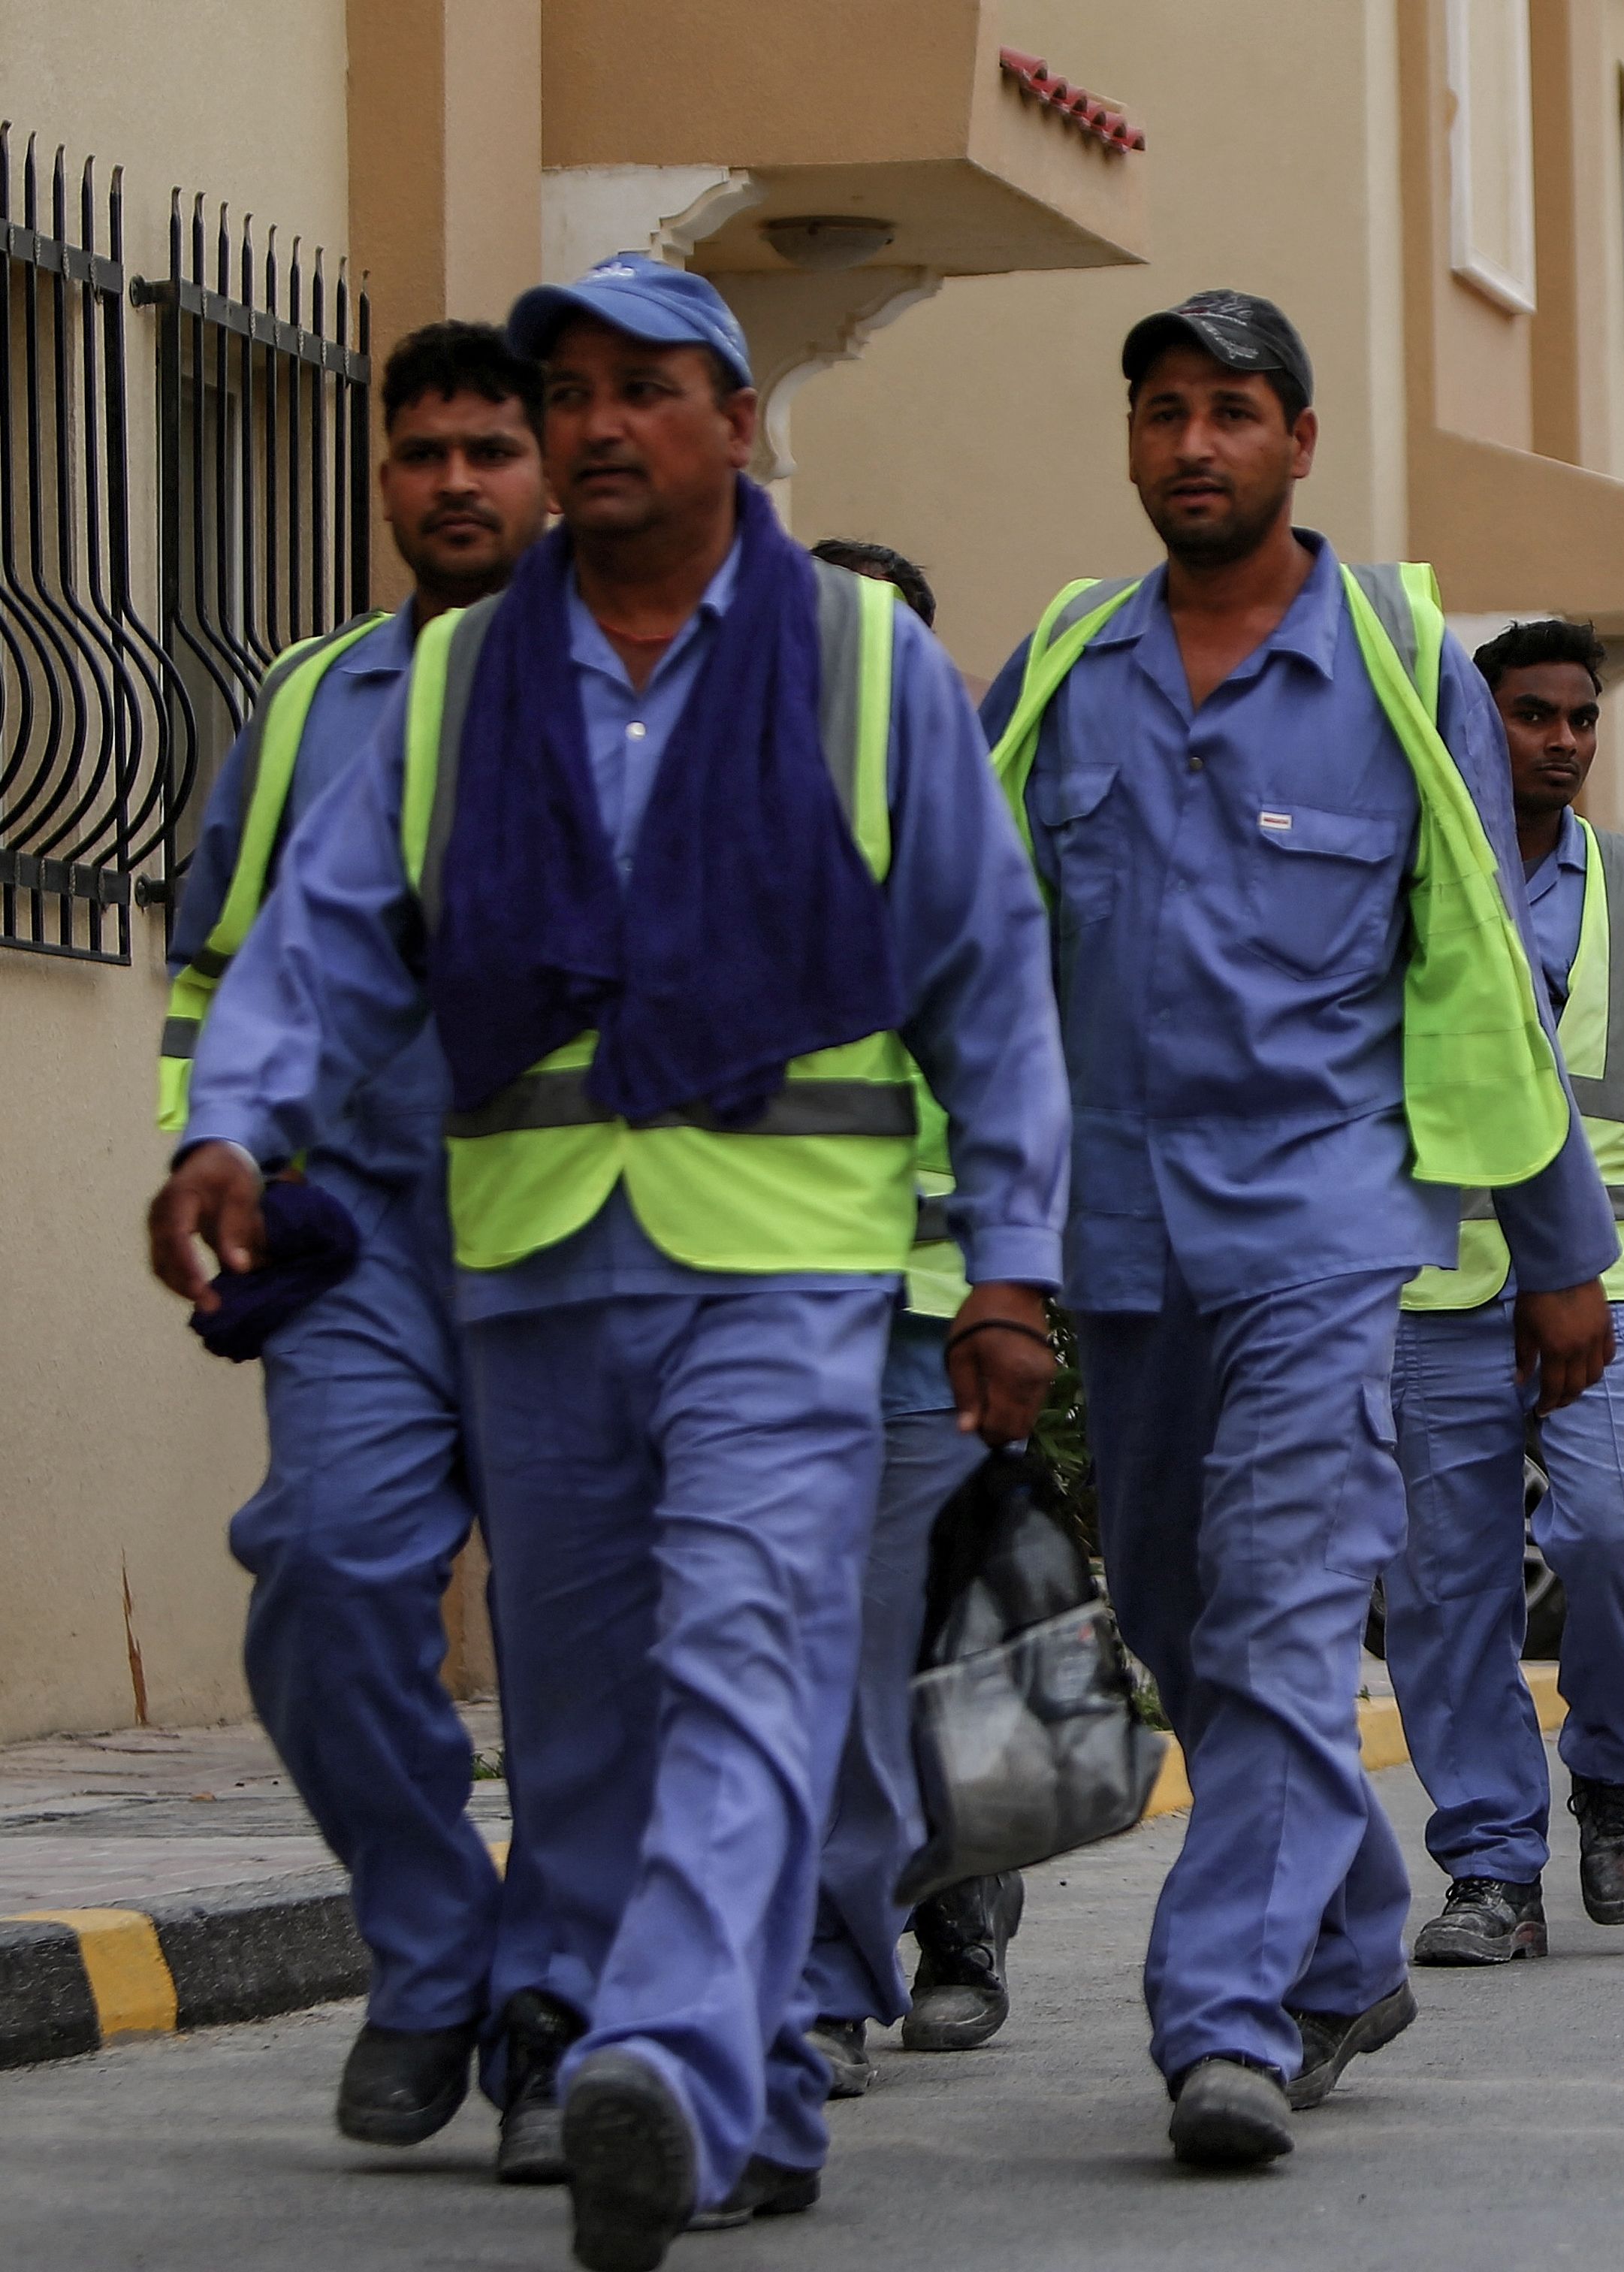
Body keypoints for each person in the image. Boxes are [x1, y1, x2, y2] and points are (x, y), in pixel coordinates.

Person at [151, 256, 1070, 2265]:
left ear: (736, 423)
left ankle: (666, 2051)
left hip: (787, 1269)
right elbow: (310, 936)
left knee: (743, 1659)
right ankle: (634, 2049)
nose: (594, 425)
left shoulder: (856, 661)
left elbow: (985, 984)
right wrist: (230, 1122)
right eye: (569, 390)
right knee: (573, 1720)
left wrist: (1007, 1267)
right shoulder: (460, 683)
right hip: (535, 1266)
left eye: (643, 389)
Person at [976, 291, 1619, 2164]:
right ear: (1130, 443)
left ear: (1299, 442)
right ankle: (1344, 1935)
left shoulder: (1402, 661)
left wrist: (1555, 1243)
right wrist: (973, 1249)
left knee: (1270, 1616)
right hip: (1114, 1237)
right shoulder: (1061, 665)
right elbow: (973, 957)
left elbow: (1480, 961)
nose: (1194, 444)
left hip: (1326, 1226)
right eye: (1162, 411)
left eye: (1233, 411)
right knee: (1177, 1613)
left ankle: (1224, 2023)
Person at [149, 320, 547, 2163]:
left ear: (550, 474)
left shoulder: (626, 681)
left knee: (583, 1642)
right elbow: (227, 965)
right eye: (424, 454)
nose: (455, 482)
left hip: (584, 1234)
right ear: (383, 478)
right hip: (364, 1240)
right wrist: (215, 1145)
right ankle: (432, 1951)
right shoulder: (314, 702)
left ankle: (567, 1992)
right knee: (318, 1570)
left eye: (491, 450)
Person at [1384, 621, 1624, 1966]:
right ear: (1480, 722)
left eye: (1578, 718)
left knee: (1611, 1537)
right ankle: (1489, 1862)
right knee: (1444, 1586)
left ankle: (1608, 1770)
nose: (1558, 739)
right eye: (1529, 714)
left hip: (1615, 1276)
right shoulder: (1413, 860)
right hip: (1434, 1274)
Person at [790, 539, 1024, 2095]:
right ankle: (875, 1934)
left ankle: (887, 1945)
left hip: (941, 1309)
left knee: (898, 1635)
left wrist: (1011, 1285)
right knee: (828, 1640)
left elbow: (1018, 1066)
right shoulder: (729, 816)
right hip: (771, 1291)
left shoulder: (975, 839)